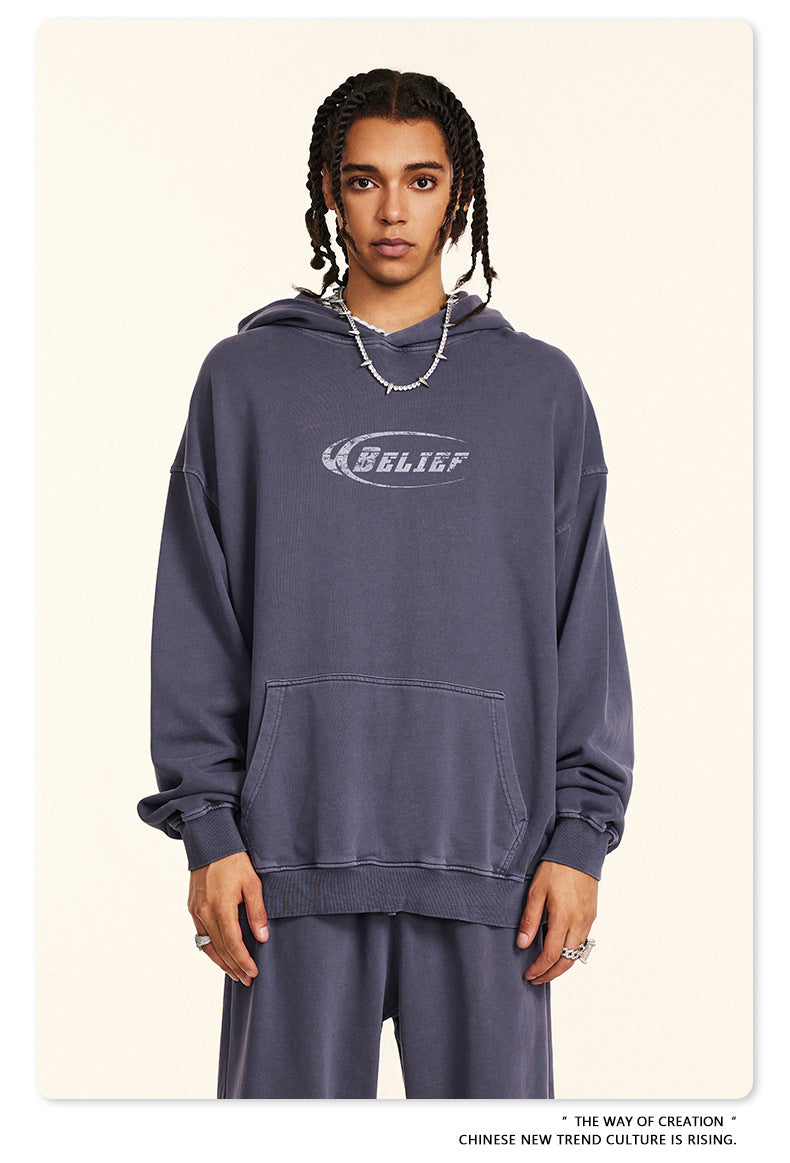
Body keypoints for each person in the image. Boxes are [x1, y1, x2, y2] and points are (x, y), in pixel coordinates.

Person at [137, 68, 634, 1100]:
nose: (393, 209)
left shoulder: (538, 389)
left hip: (495, 870)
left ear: (460, 192)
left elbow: (581, 623)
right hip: (285, 868)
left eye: (422, 179)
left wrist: (581, 837)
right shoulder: (245, 380)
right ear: (330, 190)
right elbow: (196, 619)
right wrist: (209, 831)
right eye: (365, 180)